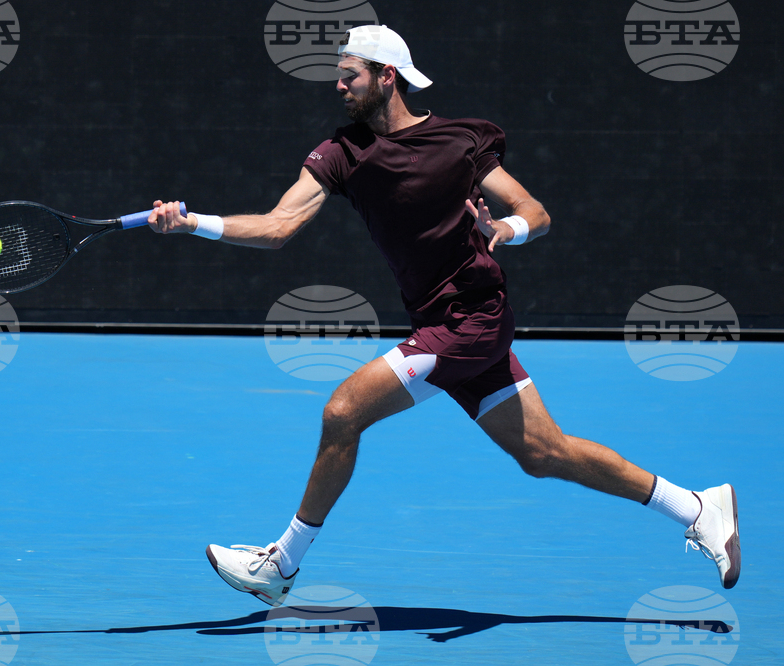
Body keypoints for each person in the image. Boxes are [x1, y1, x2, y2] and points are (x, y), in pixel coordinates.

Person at [147, 25, 740, 605]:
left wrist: (502, 229)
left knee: (343, 412)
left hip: (469, 322)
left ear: (386, 76)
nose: (338, 86)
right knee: (544, 454)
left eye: (349, 76)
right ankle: (697, 507)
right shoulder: (342, 152)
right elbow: (278, 227)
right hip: (449, 323)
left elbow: (536, 210)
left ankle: (281, 564)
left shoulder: (460, 142)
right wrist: (193, 221)